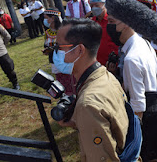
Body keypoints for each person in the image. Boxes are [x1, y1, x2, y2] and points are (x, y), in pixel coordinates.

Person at [106, 0, 157, 162]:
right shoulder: (142, 42)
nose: (108, 26)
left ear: (126, 24)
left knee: (152, 151)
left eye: (112, 22)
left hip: (147, 110)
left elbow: (138, 102)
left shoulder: (131, 58)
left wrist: (134, 133)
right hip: (155, 102)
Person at [54, 19, 130, 161]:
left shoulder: (87, 104)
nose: (54, 52)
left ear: (79, 50)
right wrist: (80, 123)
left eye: (59, 46)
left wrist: (86, 115)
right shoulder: (106, 74)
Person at [43, 8, 76, 96]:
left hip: (65, 59)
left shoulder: (64, 30)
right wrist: (46, 51)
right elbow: (46, 44)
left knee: (70, 80)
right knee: (60, 81)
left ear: (53, 18)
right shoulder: (47, 32)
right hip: (54, 60)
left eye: (46, 18)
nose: (45, 20)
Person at [89, 0, 119, 66]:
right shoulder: (91, 22)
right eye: (92, 6)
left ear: (104, 5)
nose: (94, 8)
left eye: (96, 5)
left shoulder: (113, 20)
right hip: (98, 63)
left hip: (113, 63)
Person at [0, 22, 19, 103]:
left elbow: (7, 36)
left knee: (9, 69)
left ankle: (15, 84)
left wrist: (3, 45)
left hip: (2, 53)